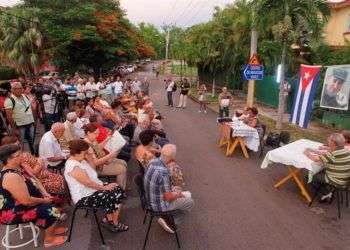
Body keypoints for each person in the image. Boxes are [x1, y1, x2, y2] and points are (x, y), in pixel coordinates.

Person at [0, 144, 66, 247]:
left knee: (56, 196)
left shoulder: (19, 166)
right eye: (18, 155)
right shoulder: (11, 176)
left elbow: (34, 178)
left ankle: (51, 228)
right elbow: (26, 201)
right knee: (52, 209)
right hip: (15, 211)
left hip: (26, 203)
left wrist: (45, 193)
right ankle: (49, 240)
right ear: (8, 159)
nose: (22, 156)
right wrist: (44, 200)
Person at [64, 140, 128, 232]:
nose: (87, 153)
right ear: (79, 152)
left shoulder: (80, 159)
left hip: (91, 189)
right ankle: (114, 223)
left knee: (117, 189)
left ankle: (110, 220)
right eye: (85, 152)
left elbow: (93, 172)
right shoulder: (73, 166)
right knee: (115, 195)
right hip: (84, 196)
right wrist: (105, 187)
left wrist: (89, 158)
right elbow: (88, 183)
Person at [144, 144, 194, 233]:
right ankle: (171, 222)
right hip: (158, 206)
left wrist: (174, 191)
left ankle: (168, 217)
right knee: (190, 202)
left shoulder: (152, 162)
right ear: (172, 158)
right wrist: (179, 195)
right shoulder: (164, 172)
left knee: (178, 191)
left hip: (148, 199)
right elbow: (168, 198)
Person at [305, 133, 350, 201]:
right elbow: (326, 153)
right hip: (345, 179)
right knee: (320, 170)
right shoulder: (345, 150)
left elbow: (316, 159)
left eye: (329, 139)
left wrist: (307, 153)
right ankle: (327, 190)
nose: (327, 140)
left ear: (333, 142)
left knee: (310, 177)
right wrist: (314, 151)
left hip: (336, 180)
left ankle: (325, 194)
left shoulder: (333, 154)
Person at [83, 123, 127, 189]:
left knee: (123, 162)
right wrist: (110, 156)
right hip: (98, 168)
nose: (97, 135)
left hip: (103, 161)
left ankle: (122, 184)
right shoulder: (86, 145)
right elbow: (95, 163)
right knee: (122, 169)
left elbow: (98, 148)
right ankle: (121, 189)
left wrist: (107, 139)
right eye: (95, 133)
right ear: (88, 133)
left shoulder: (91, 140)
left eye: (98, 133)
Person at [4, 82, 36, 154]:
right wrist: (14, 128)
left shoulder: (25, 96)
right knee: (20, 144)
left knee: (32, 141)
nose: (18, 90)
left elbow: (31, 108)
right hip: (20, 126)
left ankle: (33, 156)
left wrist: (34, 108)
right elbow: (9, 116)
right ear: (12, 90)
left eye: (20, 88)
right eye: (16, 89)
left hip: (30, 123)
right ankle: (20, 159)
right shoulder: (9, 100)